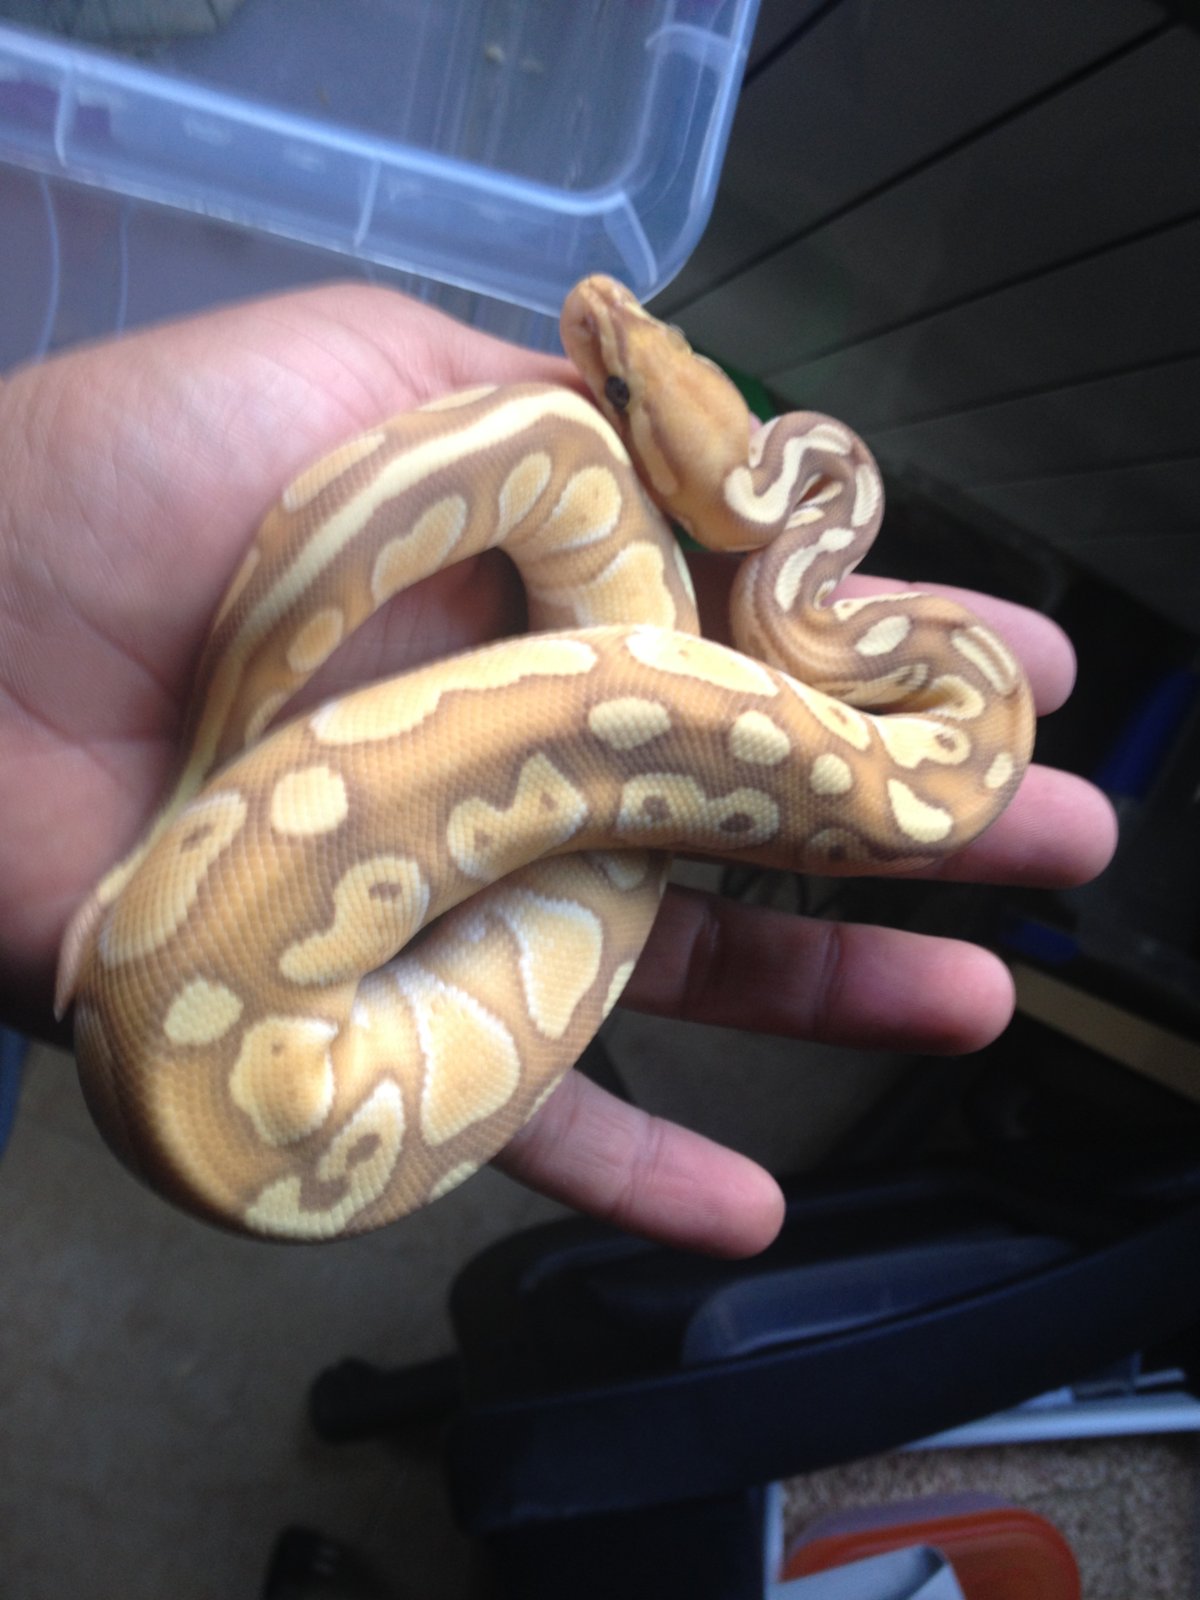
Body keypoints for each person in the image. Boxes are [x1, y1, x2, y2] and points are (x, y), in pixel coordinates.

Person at [0, 283, 1117, 1255]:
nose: (601, 316)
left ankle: (213, 758)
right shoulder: (842, 608)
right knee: (556, 448)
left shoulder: (759, 589)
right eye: (639, 374)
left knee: (552, 443)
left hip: (279, 1100)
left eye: (623, 390)